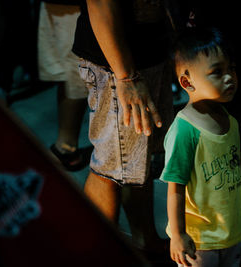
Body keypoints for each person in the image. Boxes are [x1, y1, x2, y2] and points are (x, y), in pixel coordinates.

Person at [71, 0, 175, 263]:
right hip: (118, 63)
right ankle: (96, 252)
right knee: (110, 166)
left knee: (136, 157)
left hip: (149, 50)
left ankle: (144, 239)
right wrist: (126, 76)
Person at [160, 27, 241, 267]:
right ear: (187, 82)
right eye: (217, 72)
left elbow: (238, 163)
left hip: (230, 229)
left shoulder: (230, 121)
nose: (229, 78)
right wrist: (178, 235)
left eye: (231, 69)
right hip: (198, 239)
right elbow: (175, 188)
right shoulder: (185, 131)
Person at [37, 0, 88, 172]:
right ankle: (65, 148)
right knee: (76, 74)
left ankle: (65, 146)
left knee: (72, 74)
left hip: (68, 7)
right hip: (72, 7)